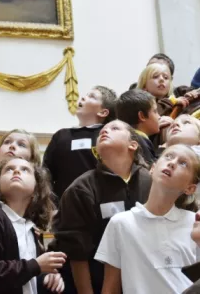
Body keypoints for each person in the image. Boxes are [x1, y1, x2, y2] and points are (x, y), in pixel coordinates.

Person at [49, 120, 152, 294]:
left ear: (133, 144)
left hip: (144, 280)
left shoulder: (150, 181)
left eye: (115, 128)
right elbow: (77, 252)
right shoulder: (81, 188)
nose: (104, 132)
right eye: (102, 130)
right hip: (98, 282)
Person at [95, 144, 200, 294]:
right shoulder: (120, 223)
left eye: (183, 163)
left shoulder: (195, 224)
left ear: (190, 188)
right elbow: (110, 288)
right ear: (152, 168)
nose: (172, 163)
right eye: (168, 156)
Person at [0, 157, 67, 294]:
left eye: (25, 170)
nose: (16, 171)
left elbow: (29, 278)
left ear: (36, 188)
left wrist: (48, 276)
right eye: (8, 169)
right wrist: (36, 265)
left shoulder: (31, 229)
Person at [43, 85, 117, 201]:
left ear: (103, 112)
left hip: (98, 203)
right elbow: (46, 173)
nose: (83, 98)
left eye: (92, 97)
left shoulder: (107, 135)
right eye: (85, 95)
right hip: (63, 205)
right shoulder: (61, 136)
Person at [116, 89, 160, 166]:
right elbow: (151, 170)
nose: (159, 116)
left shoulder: (129, 138)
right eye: (155, 111)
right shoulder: (139, 141)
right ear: (142, 116)